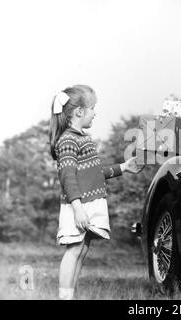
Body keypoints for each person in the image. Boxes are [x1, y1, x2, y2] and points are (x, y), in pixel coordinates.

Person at [49, 85, 142, 300]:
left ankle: (69, 295)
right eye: (92, 108)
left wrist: (124, 167)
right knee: (73, 250)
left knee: (81, 250)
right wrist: (78, 208)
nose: (95, 112)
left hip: (88, 202)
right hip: (79, 204)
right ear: (79, 112)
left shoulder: (82, 138)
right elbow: (68, 177)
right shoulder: (68, 140)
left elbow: (93, 174)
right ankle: (64, 298)